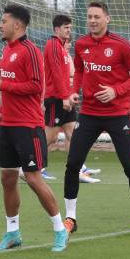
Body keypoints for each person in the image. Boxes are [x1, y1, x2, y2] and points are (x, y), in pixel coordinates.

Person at [0, 4, 68, 252]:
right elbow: (13, 85)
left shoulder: (30, 51)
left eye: (4, 21)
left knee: (32, 178)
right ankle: (13, 233)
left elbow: (35, 86)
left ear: (17, 25)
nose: (0, 25)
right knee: (7, 178)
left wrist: (3, 86)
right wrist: (3, 109)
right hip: (9, 126)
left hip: (28, 126)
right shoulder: (6, 51)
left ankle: (60, 230)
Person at [63, 1, 130, 237]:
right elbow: (79, 70)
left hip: (117, 113)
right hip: (89, 114)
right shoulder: (81, 44)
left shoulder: (121, 45)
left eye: (97, 17)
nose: (92, 20)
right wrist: (74, 91)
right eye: (89, 17)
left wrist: (116, 91)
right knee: (72, 165)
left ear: (107, 19)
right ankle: (70, 218)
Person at [41, 15, 100, 183]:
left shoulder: (61, 47)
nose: (69, 30)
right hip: (55, 98)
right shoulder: (52, 45)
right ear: (56, 29)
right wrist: (64, 97)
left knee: (73, 134)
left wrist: (69, 94)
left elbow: (67, 74)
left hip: (64, 97)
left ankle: (78, 170)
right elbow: (57, 74)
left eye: (70, 27)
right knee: (50, 138)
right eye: (66, 27)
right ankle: (32, 166)